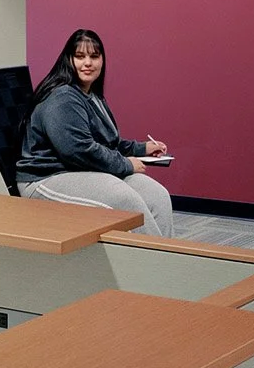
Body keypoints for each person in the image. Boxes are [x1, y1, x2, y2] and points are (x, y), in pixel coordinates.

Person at [15, 28, 174, 238]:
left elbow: (107, 142)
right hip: (45, 178)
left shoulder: (91, 95)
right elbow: (79, 150)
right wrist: (126, 164)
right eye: (80, 56)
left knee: (158, 196)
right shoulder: (63, 98)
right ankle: (150, 265)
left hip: (77, 171)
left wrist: (141, 148)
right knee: (125, 201)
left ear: (102, 60)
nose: (87, 63)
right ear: (69, 60)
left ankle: (163, 263)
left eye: (94, 56)